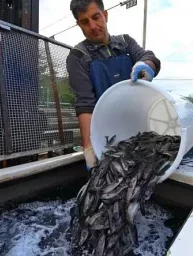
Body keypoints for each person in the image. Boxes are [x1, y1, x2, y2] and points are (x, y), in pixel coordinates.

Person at [66, 0, 161, 170]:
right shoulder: (78, 56)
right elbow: (85, 103)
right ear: (78, 24)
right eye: (85, 22)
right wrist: (89, 147)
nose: (93, 26)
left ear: (105, 15)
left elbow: (149, 56)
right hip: (104, 136)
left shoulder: (126, 42)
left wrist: (147, 65)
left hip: (139, 128)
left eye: (96, 17)